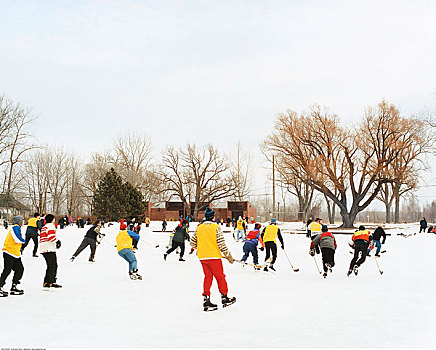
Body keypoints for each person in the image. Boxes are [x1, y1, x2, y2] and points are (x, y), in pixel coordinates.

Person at [190, 207, 236, 312]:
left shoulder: (199, 227)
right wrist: (228, 255)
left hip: (202, 257)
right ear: (213, 217)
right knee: (220, 277)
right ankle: (224, 298)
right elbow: (221, 243)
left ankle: (206, 300)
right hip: (214, 257)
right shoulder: (216, 227)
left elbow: (192, 242)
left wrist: (202, 247)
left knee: (208, 277)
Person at [0, 216, 26, 297]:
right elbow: (17, 239)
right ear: (19, 221)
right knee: (7, 270)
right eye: (23, 220)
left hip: (15, 253)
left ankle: (14, 286)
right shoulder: (16, 227)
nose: (23, 222)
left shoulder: (17, 228)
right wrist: (24, 241)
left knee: (19, 269)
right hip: (9, 252)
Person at [40, 214, 62, 289]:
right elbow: (51, 236)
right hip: (49, 248)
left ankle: (47, 282)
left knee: (50, 265)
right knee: (53, 265)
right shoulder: (50, 226)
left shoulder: (45, 226)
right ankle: (51, 282)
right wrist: (57, 241)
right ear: (52, 220)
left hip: (43, 247)